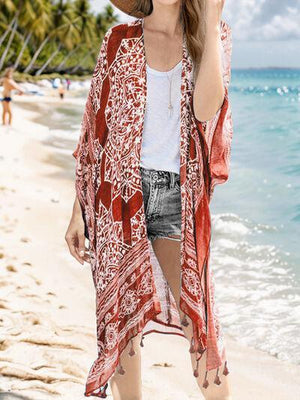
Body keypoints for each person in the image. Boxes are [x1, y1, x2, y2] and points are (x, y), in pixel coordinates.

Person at [65, 0, 233, 399]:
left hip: (178, 198)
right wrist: (78, 211)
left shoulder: (213, 37)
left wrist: (209, 22)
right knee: (121, 321)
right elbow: (94, 131)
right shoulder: (118, 42)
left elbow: (207, 110)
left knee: (200, 321)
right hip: (117, 197)